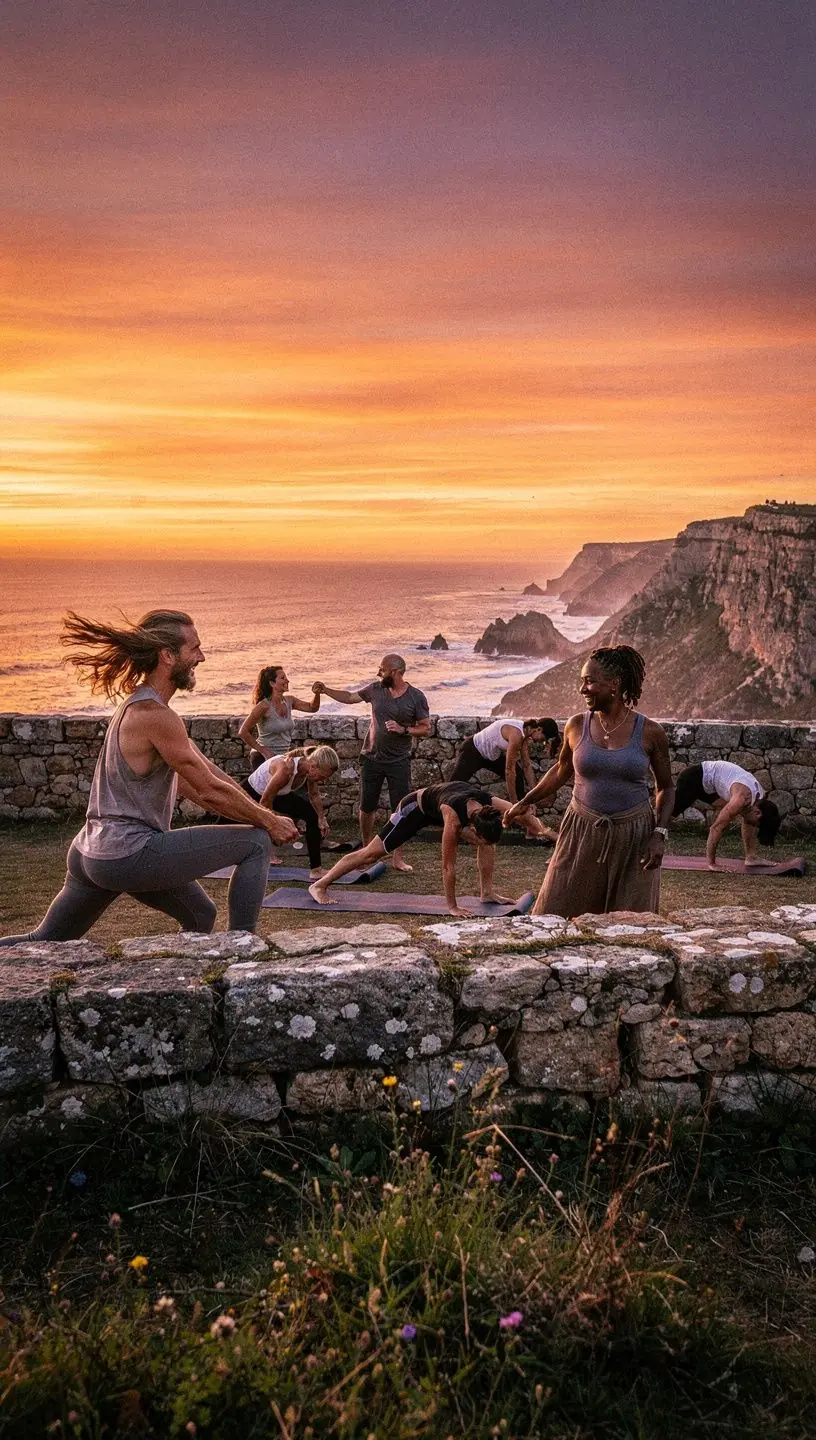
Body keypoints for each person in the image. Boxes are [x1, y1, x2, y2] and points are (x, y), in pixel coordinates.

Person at [0, 610, 298, 946]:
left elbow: (206, 778)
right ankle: (242, 952)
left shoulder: (138, 707)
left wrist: (263, 813)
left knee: (199, 915)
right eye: (194, 649)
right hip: (129, 852)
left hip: (90, 852)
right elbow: (209, 791)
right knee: (255, 843)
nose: (201, 657)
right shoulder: (156, 715)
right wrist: (269, 823)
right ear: (168, 656)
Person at [505, 645, 674, 917]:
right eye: (582, 681)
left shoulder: (651, 733)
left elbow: (666, 787)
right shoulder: (575, 725)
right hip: (581, 829)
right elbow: (561, 770)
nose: (582, 689)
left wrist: (659, 835)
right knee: (555, 913)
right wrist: (524, 802)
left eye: (589, 681)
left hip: (633, 835)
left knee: (630, 925)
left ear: (614, 685)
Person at [308, 781, 520, 918]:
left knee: (488, 842)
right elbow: (447, 866)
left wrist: (538, 826)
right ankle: (320, 885)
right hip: (414, 808)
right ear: (472, 828)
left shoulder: (487, 806)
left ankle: (487, 892)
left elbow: (518, 807)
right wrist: (452, 907)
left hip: (437, 806)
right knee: (371, 854)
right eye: (477, 837)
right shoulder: (453, 820)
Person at [312, 654, 430, 872]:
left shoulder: (416, 697)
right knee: (367, 807)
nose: (378, 673)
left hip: (399, 761)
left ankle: (397, 857)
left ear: (395, 671)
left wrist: (404, 729)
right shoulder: (375, 690)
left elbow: (425, 727)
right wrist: (326, 690)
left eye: (382, 669)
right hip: (371, 758)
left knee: (401, 810)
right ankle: (367, 852)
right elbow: (349, 697)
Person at [239, 744, 340, 879]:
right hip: (252, 793)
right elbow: (265, 801)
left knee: (312, 816)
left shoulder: (308, 770)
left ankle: (316, 870)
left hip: (278, 794)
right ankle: (263, 854)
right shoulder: (285, 770)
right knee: (226, 824)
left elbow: (314, 795)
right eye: (322, 776)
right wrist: (272, 826)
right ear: (313, 765)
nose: (322, 780)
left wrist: (321, 818)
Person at [449, 716, 560, 830]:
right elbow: (509, 771)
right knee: (454, 785)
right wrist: (514, 802)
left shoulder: (524, 736)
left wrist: (534, 796)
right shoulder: (516, 735)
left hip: (491, 756)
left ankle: (524, 821)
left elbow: (527, 766)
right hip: (473, 750)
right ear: (539, 729)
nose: (542, 742)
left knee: (519, 777)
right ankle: (445, 818)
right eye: (544, 738)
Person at [672, 760, 781, 869]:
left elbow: (749, 818)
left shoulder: (758, 797)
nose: (754, 826)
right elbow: (716, 828)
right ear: (757, 813)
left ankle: (750, 857)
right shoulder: (740, 799)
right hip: (693, 778)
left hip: (711, 787)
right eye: (755, 824)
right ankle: (655, 836)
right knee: (668, 815)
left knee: (746, 817)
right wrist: (712, 864)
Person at [238, 665, 320, 767]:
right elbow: (243, 732)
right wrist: (262, 750)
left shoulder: (290, 701)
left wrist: (317, 694)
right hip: (263, 757)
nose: (287, 680)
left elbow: (312, 708)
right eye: (283, 678)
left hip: (283, 756)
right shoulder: (263, 706)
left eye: (286, 677)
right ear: (272, 683)